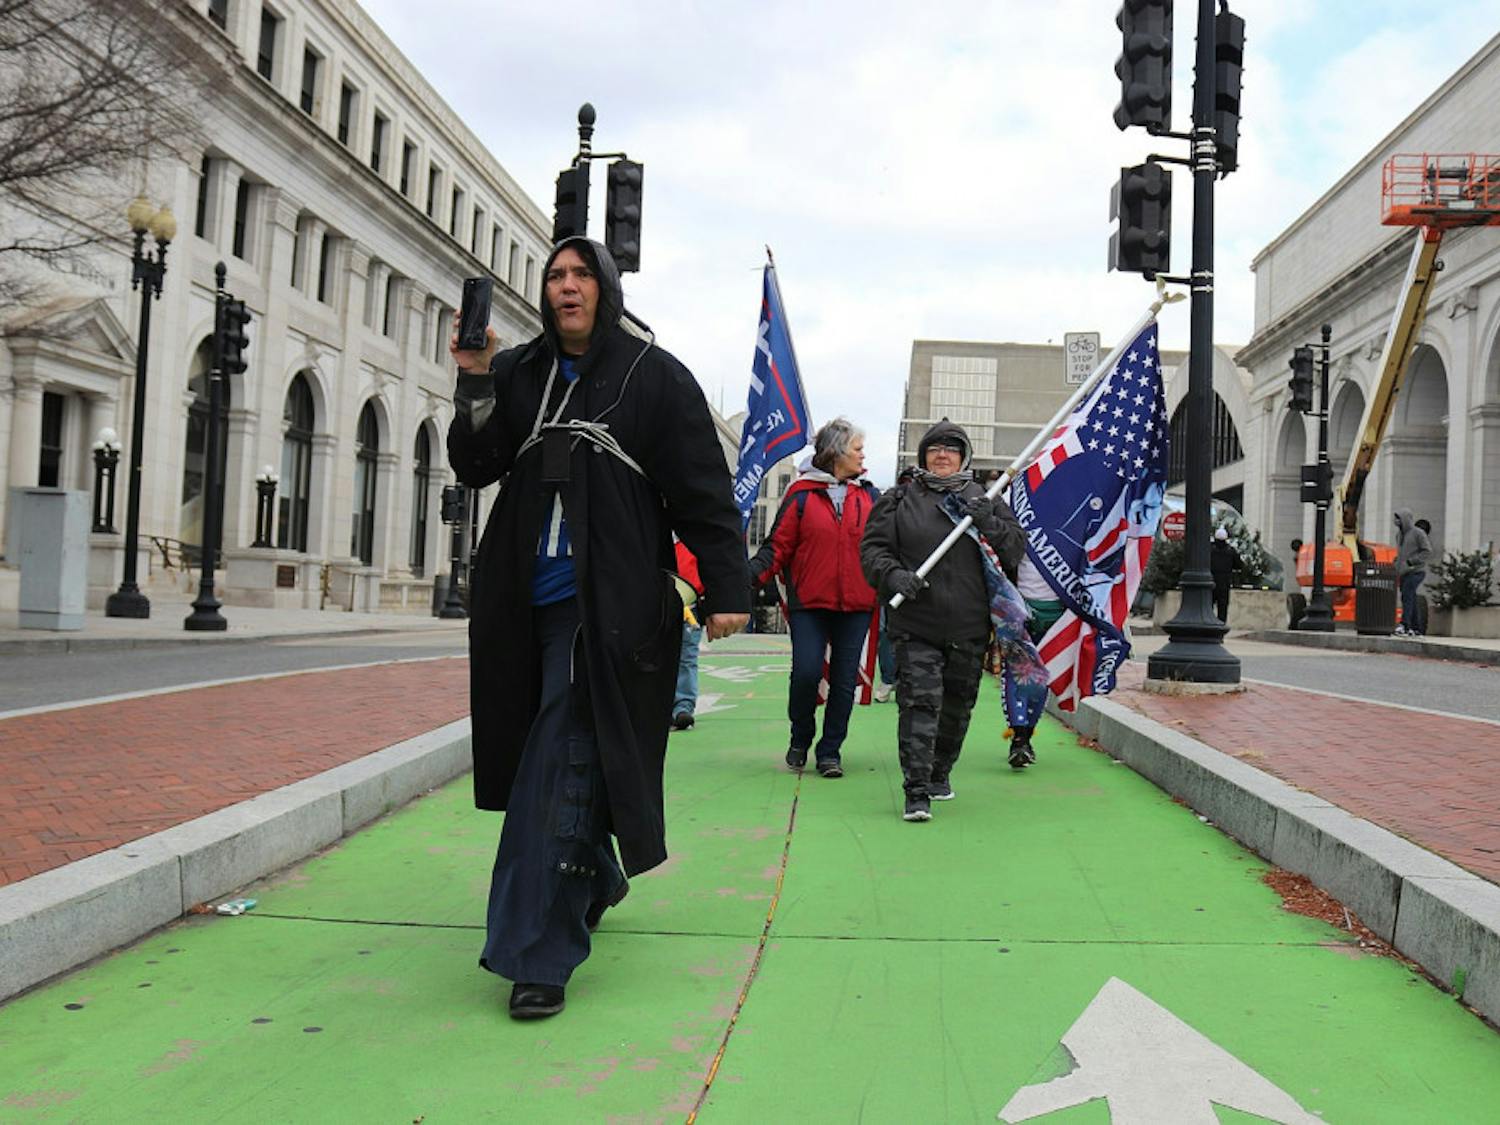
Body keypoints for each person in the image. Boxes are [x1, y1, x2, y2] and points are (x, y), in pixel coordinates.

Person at [446, 236, 749, 1020]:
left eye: (582, 274)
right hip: (524, 605)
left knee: (557, 756)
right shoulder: (519, 373)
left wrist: (727, 587)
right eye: (555, 275)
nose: (567, 286)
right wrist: (473, 377)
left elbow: (702, 491)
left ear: (606, 289)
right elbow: (475, 462)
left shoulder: (656, 377)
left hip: (611, 612)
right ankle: (596, 873)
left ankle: (539, 952)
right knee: (549, 759)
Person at [860, 420, 1025, 821]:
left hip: (969, 626)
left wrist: (988, 520)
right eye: (935, 449)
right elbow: (873, 550)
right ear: (923, 457)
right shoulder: (898, 500)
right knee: (919, 704)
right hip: (916, 623)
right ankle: (916, 790)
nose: (942, 455)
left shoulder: (985, 500)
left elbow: (1014, 550)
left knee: (956, 707)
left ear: (963, 457)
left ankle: (939, 773)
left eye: (951, 449)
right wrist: (893, 576)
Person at [750, 417, 878, 779]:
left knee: (843, 681)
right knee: (806, 672)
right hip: (810, 603)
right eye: (857, 448)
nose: (862, 455)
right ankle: (800, 737)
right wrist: (742, 580)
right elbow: (777, 547)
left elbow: (886, 546)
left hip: (857, 604)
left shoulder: (870, 495)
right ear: (837, 452)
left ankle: (830, 751)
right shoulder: (801, 494)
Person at [1005, 554, 1065, 768]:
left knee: (1034, 677)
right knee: (1025, 673)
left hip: (1054, 613)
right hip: (1024, 609)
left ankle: (1021, 738)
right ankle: (1021, 737)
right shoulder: (1021, 521)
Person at [672, 539, 705, 730]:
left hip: (690, 606)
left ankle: (683, 707)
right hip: (658, 603)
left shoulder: (694, 538)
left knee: (687, 658)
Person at [1394, 510, 1432, 636]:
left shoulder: (1418, 533)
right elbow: (1401, 555)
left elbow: (1427, 551)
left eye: (1398, 518)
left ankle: (1405, 624)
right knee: (1410, 597)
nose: (1396, 521)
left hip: (1416, 571)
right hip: (1404, 572)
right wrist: (1396, 566)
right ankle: (1416, 628)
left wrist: (1412, 562)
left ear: (1404, 519)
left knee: (1408, 596)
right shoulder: (1399, 535)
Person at [1210, 526, 1243, 624]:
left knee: (1209, 604)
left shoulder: (1209, 549)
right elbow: (1238, 565)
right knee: (1223, 605)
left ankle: (1209, 623)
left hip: (1210, 581)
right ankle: (1221, 625)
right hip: (1224, 582)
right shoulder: (1230, 551)